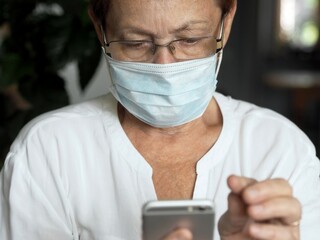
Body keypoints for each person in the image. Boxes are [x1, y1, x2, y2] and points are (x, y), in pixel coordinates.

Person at [0, 0, 319, 239]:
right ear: (100, 28)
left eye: (190, 39)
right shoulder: (48, 151)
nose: (165, 67)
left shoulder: (281, 150)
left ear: (227, 22)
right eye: (136, 43)